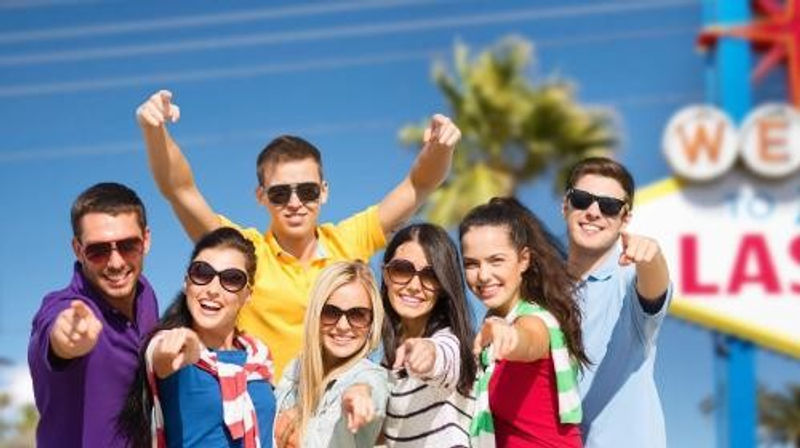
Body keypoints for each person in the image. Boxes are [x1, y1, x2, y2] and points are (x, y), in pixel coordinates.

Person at [136, 90, 461, 378]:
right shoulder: (243, 252)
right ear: (260, 196)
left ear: (324, 192)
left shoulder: (349, 240)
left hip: (337, 419)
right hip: (265, 421)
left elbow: (418, 185)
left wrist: (440, 147)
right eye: (280, 193)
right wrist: (154, 130)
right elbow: (180, 190)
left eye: (307, 191)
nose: (295, 203)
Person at [28, 182, 159, 447]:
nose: (116, 263)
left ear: (145, 240)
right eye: (97, 250)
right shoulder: (63, 309)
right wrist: (66, 341)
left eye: (127, 245)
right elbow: (54, 333)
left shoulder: (145, 293)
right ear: (78, 249)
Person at [118, 227, 276, 448]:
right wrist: (184, 347)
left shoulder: (258, 357)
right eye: (202, 273)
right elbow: (162, 358)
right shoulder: (172, 348)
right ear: (187, 282)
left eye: (231, 279)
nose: (213, 289)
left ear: (247, 295)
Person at [459, 197, 589, 447]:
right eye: (472, 264)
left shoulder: (536, 320)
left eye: (496, 260)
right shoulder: (490, 331)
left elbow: (529, 340)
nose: (483, 275)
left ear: (524, 260)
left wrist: (510, 336)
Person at [562, 157, 671, 448]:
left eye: (609, 205)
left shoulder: (629, 280)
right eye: (582, 200)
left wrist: (653, 256)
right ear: (565, 206)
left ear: (625, 219)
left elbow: (655, 287)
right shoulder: (541, 292)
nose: (594, 212)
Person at [379, 223, 476, 446]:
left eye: (430, 275)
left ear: (443, 285)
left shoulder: (452, 342)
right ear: (385, 274)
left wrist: (428, 353)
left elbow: (445, 358)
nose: (414, 286)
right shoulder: (386, 364)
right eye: (402, 269)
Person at [273, 261, 388, 448]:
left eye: (358, 315)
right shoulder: (296, 368)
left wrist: (360, 393)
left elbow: (370, 389)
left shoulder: (371, 376)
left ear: (372, 322)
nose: (343, 326)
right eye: (331, 312)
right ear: (316, 315)